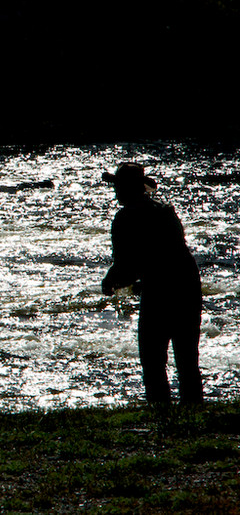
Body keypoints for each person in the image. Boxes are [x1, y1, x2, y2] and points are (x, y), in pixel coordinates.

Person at [101, 162, 203, 404]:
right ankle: (194, 411)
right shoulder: (165, 212)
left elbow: (127, 264)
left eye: (118, 187)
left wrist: (111, 281)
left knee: (152, 359)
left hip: (159, 290)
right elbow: (173, 252)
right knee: (187, 359)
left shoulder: (124, 219)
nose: (116, 193)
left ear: (127, 189)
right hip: (186, 286)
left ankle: (160, 411)